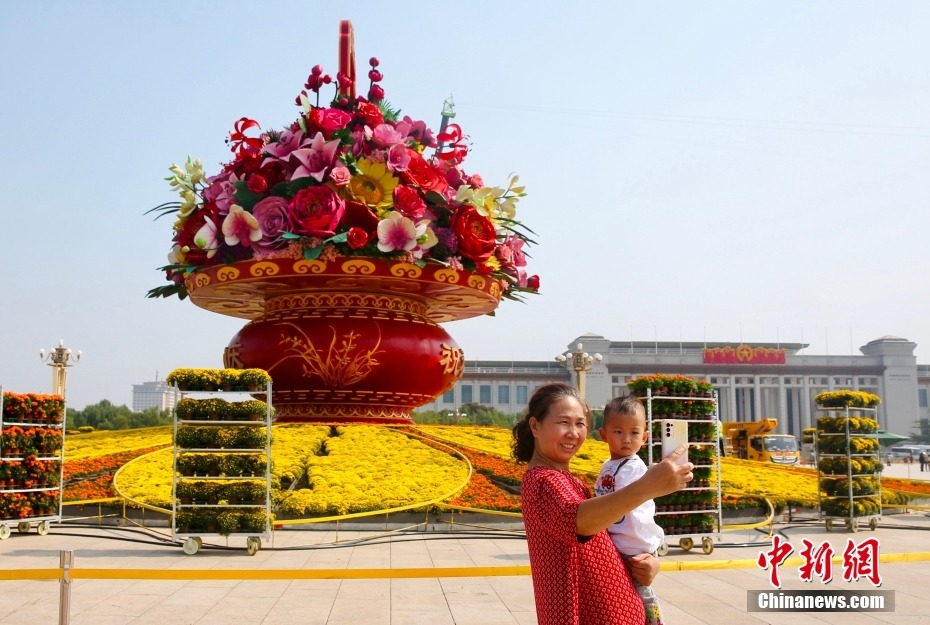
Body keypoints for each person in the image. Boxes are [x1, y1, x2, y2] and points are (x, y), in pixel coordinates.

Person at [512, 383, 692, 625]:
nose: (573, 433)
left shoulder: (567, 479)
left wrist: (646, 559)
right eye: (564, 422)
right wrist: (648, 486)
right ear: (535, 426)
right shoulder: (542, 480)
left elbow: (608, 534)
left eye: (580, 424)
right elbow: (577, 521)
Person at [595, 395, 665, 625]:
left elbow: (621, 501)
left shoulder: (634, 468)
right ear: (604, 434)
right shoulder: (609, 465)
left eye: (634, 433)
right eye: (618, 432)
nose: (626, 439)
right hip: (619, 544)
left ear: (644, 438)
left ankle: (655, 620)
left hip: (635, 548)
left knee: (641, 595)